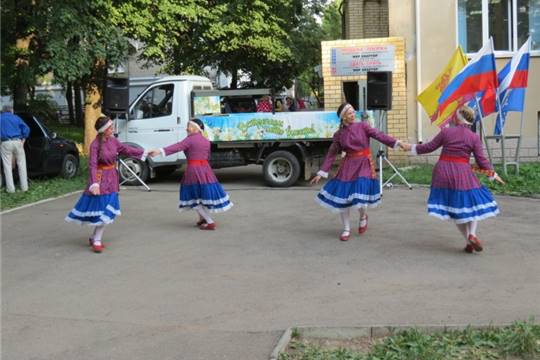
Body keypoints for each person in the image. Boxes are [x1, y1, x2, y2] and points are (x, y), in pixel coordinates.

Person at [400, 105, 504, 253]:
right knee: (472, 202)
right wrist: (493, 174)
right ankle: (472, 234)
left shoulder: (446, 132)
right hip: (463, 172)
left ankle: (468, 239)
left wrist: (410, 147)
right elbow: (481, 160)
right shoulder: (474, 137)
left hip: (443, 171)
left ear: (458, 117)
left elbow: (428, 147)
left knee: (453, 207)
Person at [310, 103, 403, 241]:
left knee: (360, 197)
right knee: (343, 198)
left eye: (354, 112)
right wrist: (321, 172)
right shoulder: (339, 134)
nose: (353, 115)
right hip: (348, 165)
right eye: (349, 113)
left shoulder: (363, 126)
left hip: (364, 164)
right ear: (343, 118)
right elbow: (331, 154)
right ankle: (346, 229)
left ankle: (363, 215)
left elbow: (379, 135)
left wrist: (397, 143)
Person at [65, 115, 148, 253]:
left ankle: (95, 237)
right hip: (100, 179)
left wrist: (143, 152)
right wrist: (94, 184)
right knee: (103, 211)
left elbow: (127, 150)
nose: (113, 128)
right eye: (110, 127)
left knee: (108, 210)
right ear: (103, 130)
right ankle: (96, 239)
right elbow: (92, 165)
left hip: (112, 179)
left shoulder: (114, 141)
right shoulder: (95, 145)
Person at [148, 118, 232, 229]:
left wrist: (159, 151)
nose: (186, 128)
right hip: (206, 169)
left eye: (188, 126)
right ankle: (202, 220)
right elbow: (208, 156)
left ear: (194, 128)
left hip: (194, 170)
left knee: (192, 196)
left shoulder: (190, 139)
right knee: (202, 195)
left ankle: (209, 221)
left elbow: (176, 147)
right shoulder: (206, 140)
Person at [0, 105, 30, 193]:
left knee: (7, 166)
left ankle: (11, 189)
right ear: (11, 110)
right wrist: (23, 138)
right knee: (22, 165)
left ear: (3, 111)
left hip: (5, 143)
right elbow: (27, 128)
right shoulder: (16, 118)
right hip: (18, 142)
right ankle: (24, 188)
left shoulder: (0, 118)